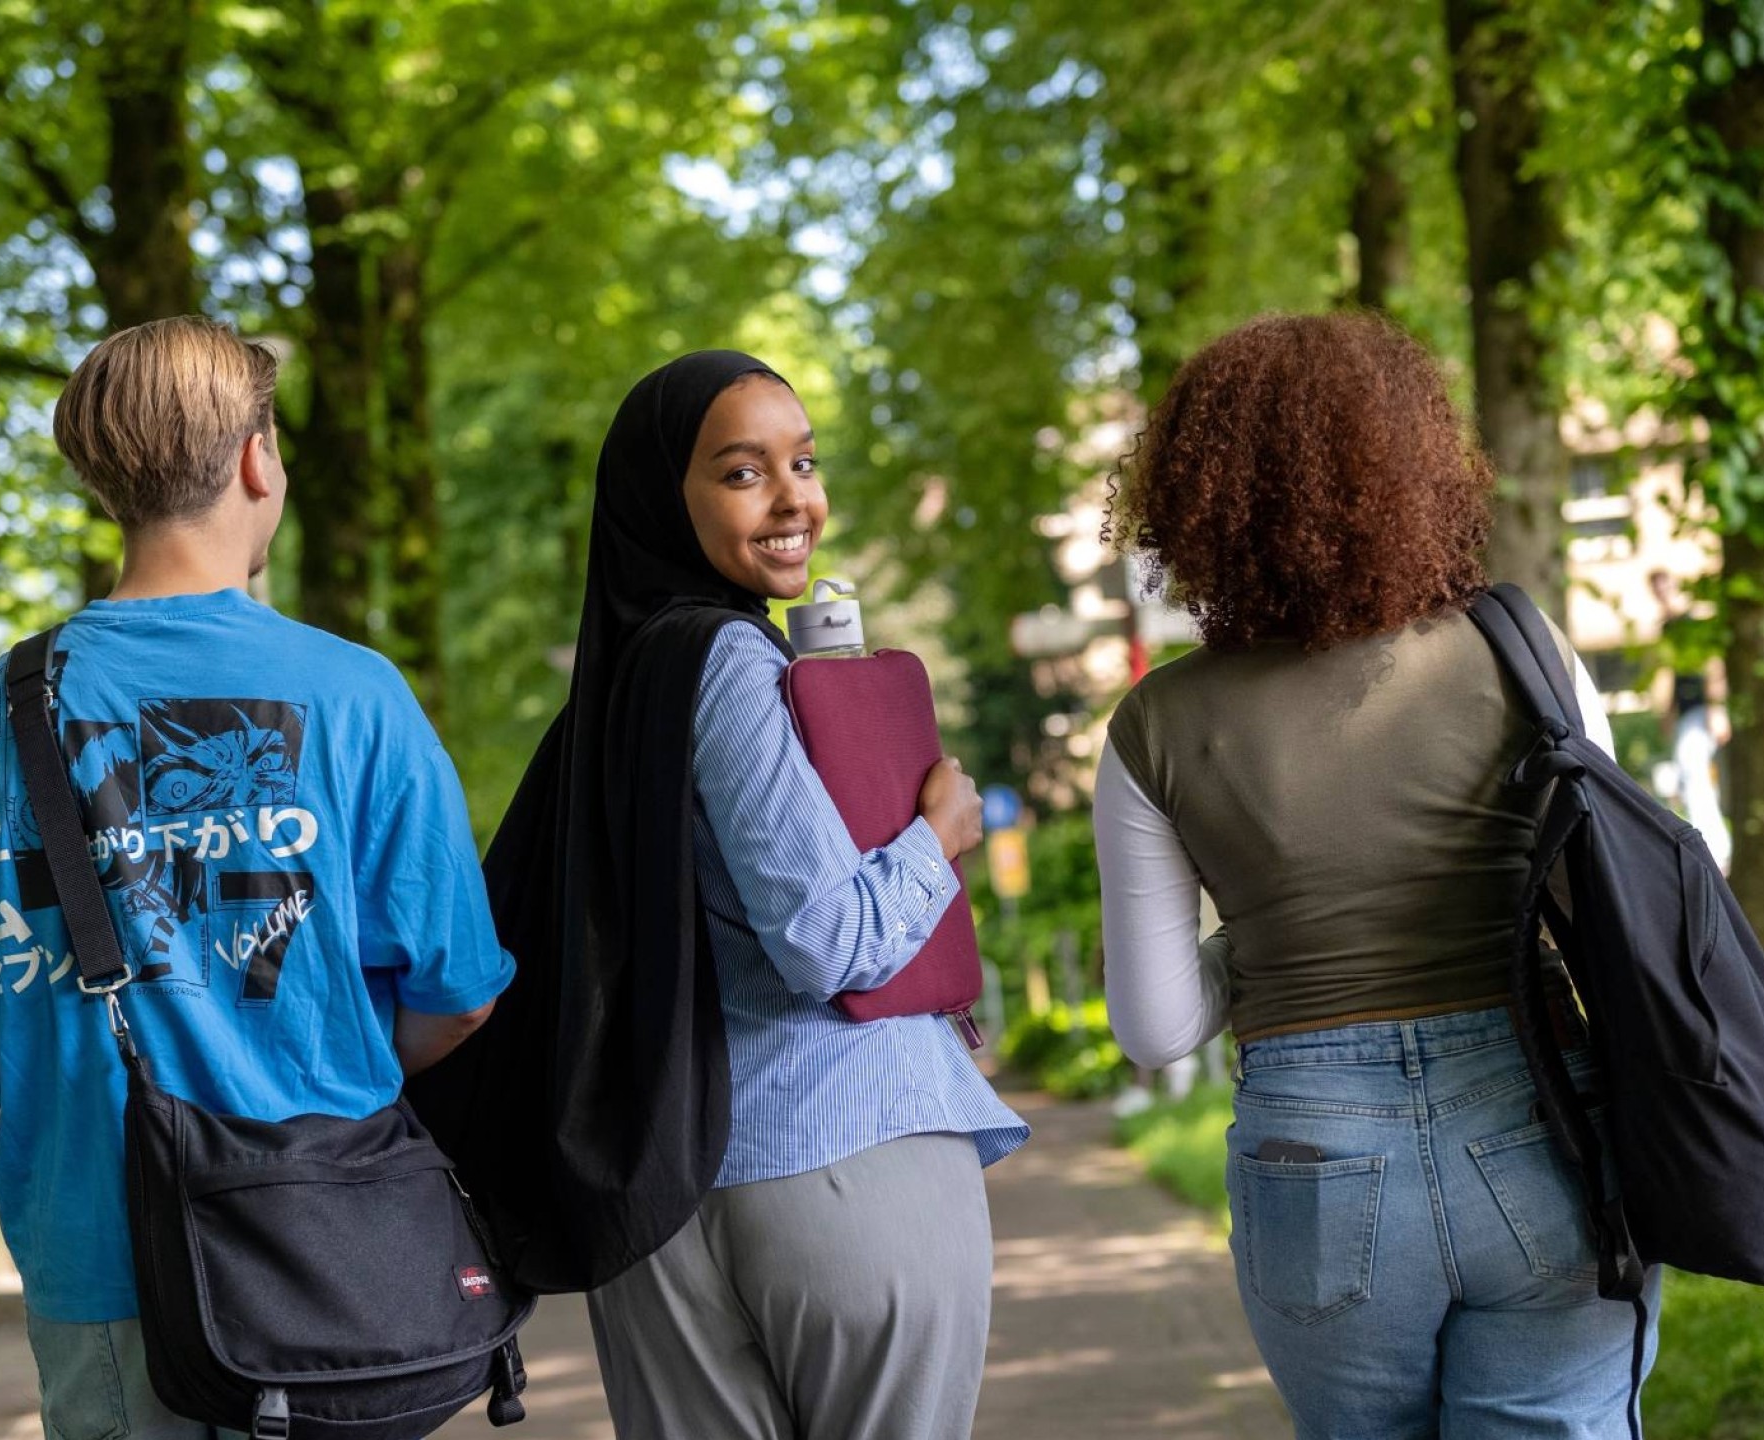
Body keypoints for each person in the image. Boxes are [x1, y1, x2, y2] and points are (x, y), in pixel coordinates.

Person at [0, 316, 513, 1440]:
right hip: (333, 1245)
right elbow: (459, 995)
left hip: (100, 1258)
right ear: (255, 459)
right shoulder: (355, 693)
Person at [422, 350, 1028, 1440]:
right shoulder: (728, 661)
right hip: (846, 1154)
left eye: (804, 461)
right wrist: (938, 838)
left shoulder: (615, 688)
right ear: (669, 495)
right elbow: (830, 940)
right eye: (743, 472)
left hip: (662, 1192)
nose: (795, 496)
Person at [1094, 312, 1659, 1438]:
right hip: (1544, 1118)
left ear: (1195, 498)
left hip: (1314, 1155)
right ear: (1416, 466)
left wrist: (1270, 928)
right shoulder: (1527, 658)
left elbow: (1156, 1030)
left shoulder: (1155, 725)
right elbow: (1614, 903)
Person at [1649, 568, 1732, 871]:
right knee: (1687, 775)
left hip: (1703, 711)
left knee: (1693, 769)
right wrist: (1669, 714)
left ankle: (1716, 848)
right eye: (1657, 590)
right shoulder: (1668, 628)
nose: (1663, 594)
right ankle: (1709, 845)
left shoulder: (1694, 621)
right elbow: (1673, 674)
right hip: (1686, 713)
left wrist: (1716, 707)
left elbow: (1712, 665)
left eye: (1666, 587)